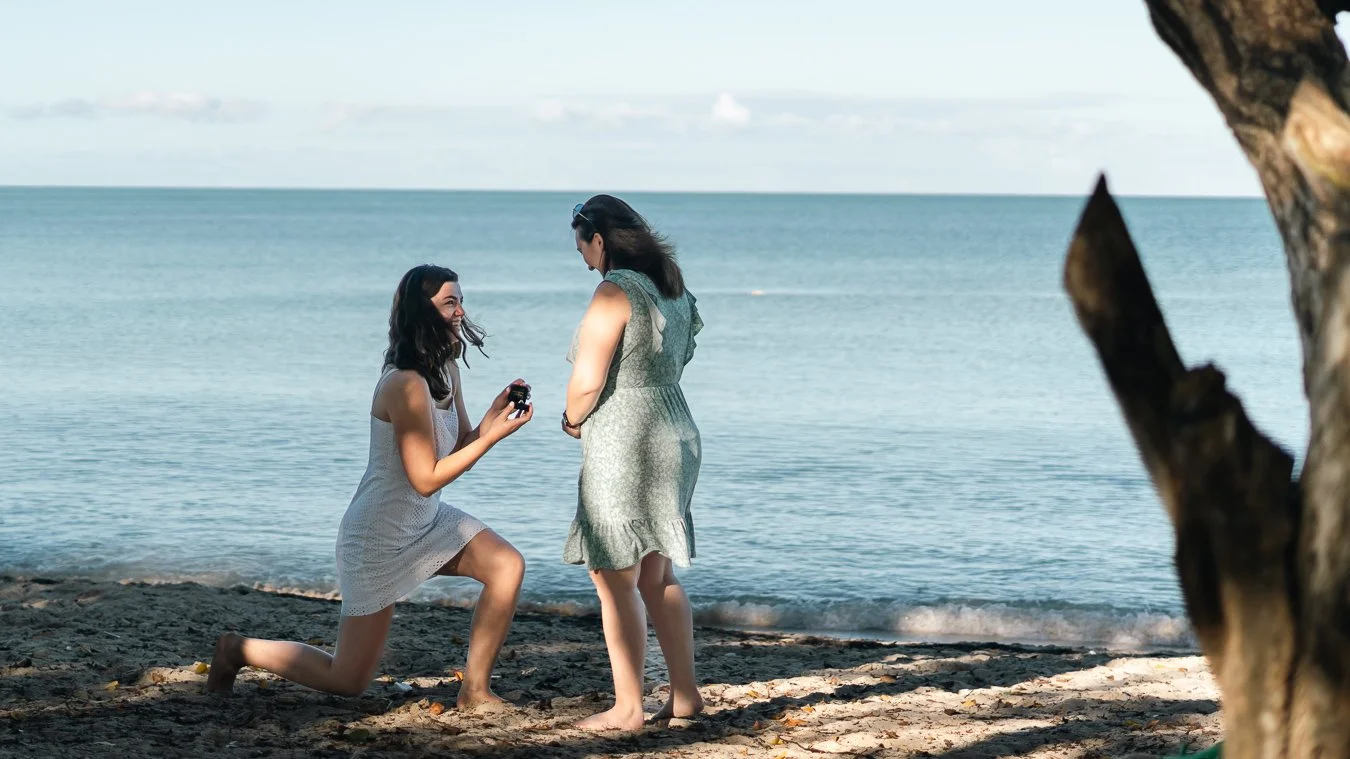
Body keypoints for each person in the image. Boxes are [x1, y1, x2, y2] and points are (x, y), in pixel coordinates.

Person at [208, 264, 533, 708]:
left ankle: (474, 690)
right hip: (377, 537)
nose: (461, 311)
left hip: (426, 520)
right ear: (423, 312)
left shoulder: (444, 369)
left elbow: (456, 445)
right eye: (450, 302)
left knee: (507, 566)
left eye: (460, 300)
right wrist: (491, 439)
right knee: (348, 679)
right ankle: (236, 649)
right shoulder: (404, 384)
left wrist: (493, 421)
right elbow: (425, 478)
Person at [561, 195, 705, 730]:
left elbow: (590, 379)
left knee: (614, 573)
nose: (580, 255)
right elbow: (678, 357)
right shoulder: (674, 290)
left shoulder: (614, 290)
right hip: (676, 429)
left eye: (580, 243)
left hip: (627, 435)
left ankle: (627, 707)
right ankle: (684, 695)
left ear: (599, 239)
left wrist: (572, 416)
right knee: (656, 571)